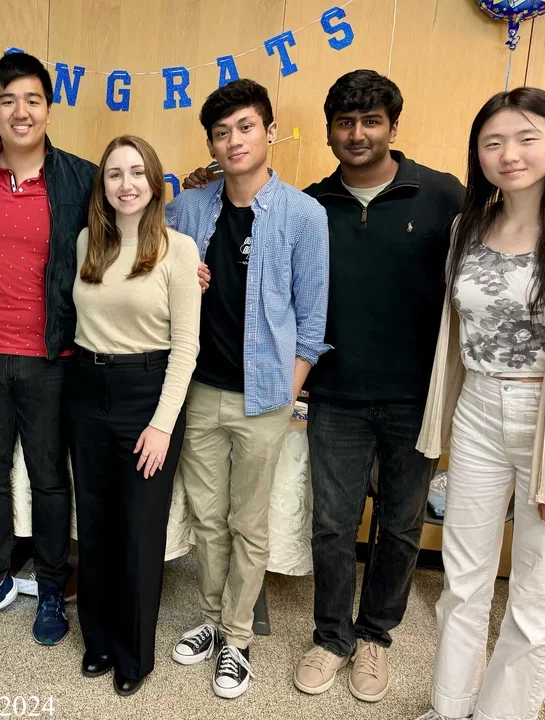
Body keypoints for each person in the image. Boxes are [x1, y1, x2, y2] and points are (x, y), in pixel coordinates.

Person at [290, 70, 465, 703]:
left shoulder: (444, 196)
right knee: (333, 524)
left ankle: (375, 637)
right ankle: (331, 636)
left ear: (393, 126)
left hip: (416, 399)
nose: (358, 134)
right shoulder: (310, 204)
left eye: (371, 122)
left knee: (399, 524)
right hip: (334, 395)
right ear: (331, 130)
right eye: (345, 123)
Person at [166, 78, 330, 699]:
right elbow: (148, 259)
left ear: (270, 131)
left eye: (245, 128)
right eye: (221, 132)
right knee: (208, 519)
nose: (233, 141)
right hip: (199, 390)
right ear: (210, 143)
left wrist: (288, 394)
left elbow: (312, 322)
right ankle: (211, 620)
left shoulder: (302, 215)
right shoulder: (189, 210)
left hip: (265, 395)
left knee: (248, 521)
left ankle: (237, 636)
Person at [0, 52, 97, 646]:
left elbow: (123, 234)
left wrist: (178, 260)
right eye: (7, 99)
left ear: (49, 108)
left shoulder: (80, 176)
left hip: (52, 356)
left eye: (32, 99)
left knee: (53, 478)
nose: (20, 111)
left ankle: (53, 586)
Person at [415, 87, 545, 720]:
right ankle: (450, 709)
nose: (509, 154)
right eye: (493, 141)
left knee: (534, 594)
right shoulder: (466, 226)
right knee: (462, 582)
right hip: (477, 408)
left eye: (527, 138)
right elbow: (454, 328)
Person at [68, 135, 201, 697]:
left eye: (137, 172)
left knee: (139, 531)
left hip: (147, 394)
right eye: (115, 174)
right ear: (103, 184)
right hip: (86, 389)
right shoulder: (86, 244)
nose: (126, 184)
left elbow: (186, 347)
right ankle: (96, 641)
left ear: (156, 181)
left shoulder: (180, 249)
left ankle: (133, 655)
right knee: (94, 525)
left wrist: (161, 423)